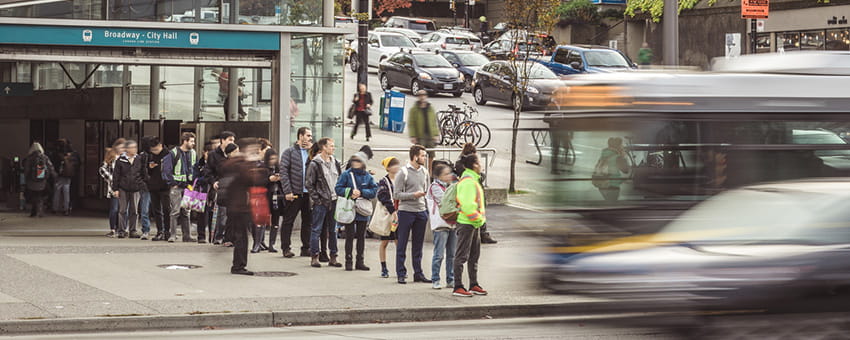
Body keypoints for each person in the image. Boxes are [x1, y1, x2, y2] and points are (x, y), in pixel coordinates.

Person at [221, 138, 265, 276]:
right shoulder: (240, 163)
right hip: (238, 205)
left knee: (242, 236)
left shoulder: (238, 163)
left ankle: (238, 265)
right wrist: (253, 164)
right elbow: (251, 179)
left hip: (239, 205)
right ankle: (238, 266)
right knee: (241, 237)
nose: (256, 152)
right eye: (253, 149)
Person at [393, 145, 432, 284]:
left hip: (421, 211)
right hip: (406, 212)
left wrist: (427, 210)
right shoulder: (403, 172)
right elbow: (396, 194)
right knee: (402, 243)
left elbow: (427, 191)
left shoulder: (425, 172)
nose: (424, 158)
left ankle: (418, 273)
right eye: (422, 155)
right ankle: (401, 273)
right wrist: (412, 195)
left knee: (418, 245)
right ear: (415, 157)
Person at [335, 148, 378, 271]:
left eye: (358, 161)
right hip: (349, 208)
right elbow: (338, 188)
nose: (355, 163)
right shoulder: (346, 174)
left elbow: (374, 191)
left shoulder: (368, 176)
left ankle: (360, 261)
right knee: (349, 235)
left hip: (362, 210)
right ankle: (348, 260)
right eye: (354, 160)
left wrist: (362, 193)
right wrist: (349, 192)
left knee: (361, 236)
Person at [452, 154, 488, 297]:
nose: (482, 165)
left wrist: (478, 221)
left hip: (473, 224)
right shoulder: (468, 182)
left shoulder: (473, 180)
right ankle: (458, 286)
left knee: (474, 256)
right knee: (462, 256)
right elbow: (467, 206)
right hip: (468, 223)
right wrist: (479, 220)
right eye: (480, 162)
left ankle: (473, 284)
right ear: (474, 165)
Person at [304, 138, 342, 268]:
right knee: (316, 229)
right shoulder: (315, 163)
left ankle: (333, 256)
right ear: (324, 147)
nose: (333, 148)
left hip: (334, 199)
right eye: (331, 146)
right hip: (321, 201)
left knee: (333, 230)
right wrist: (317, 199)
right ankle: (315, 256)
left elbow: (340, 179)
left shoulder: (335, 162)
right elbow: (309, 183)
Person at [280, 127, 314, 258]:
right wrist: (287, 191)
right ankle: (286, 248)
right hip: (294, 192)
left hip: (308, 193)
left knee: (308, 221)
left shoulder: (312, 153)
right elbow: (283, 172)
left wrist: (313, 150)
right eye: (308, 135)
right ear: (300, 136)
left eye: (311, 136)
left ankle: (306, 247)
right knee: (289, 220)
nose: (310, 138)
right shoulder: (289, 152)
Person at [452, 143, 497, 244]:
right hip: (469, 221)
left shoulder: (465, 169)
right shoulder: (468, 177)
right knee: (464, 252)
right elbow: (468, 206)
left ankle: (483, 233)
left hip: (471, 220)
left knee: (471, 252)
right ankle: (484, 233)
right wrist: (478, 220)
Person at [162, 132, 198, 243]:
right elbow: (166, 170)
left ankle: (187, 236)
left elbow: (195, 168)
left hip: (188, 186)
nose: (193, 143)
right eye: (191, 141)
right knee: (175, 211)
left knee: (186, 211)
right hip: (177, 186)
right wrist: (172, 183)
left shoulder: (193, 153)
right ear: (185, 141)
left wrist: (193, 183)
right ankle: (173, 235)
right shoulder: (173, 153)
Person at [427, 164, 457, 290]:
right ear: (438, 176)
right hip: (441, 225)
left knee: (452, 254)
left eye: (449, 173)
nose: (449, 176)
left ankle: (450, 279)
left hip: (452, 224)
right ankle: (435, 278)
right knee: (439, 254)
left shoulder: (451, 186)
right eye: (446, 174)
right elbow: (444, 202)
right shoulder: (435, 187)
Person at [112, 140, 148, 239]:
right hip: (123, 188)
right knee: (122, 210)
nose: (135, 149)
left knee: (134, 210)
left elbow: (143, 172)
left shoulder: (139, 159)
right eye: (132, 147)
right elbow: (116, 175)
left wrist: (142, 184)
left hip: (136, 188)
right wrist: (115, 189)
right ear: (127, 149)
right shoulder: (121, 160)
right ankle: (122, 230)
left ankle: (133, 230)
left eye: (135, 147)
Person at [206, 131, 236, 244]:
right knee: (221, 214)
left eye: (233, 140)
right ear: (222, 140)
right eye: (229, 139)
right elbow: (208, 171)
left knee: (230, 214)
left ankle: (227, 237)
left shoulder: (233, 153)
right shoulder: (213, 154)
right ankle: (218, 236)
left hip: (232, 188)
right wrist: (213, 182)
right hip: (219, 188)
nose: (231, 142)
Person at [376, 157, 400, 278]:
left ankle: (400, 267)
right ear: (388, 168)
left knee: (398, 242)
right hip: (388, 214)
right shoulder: (383, 181)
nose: (396, 167)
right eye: (393, 165)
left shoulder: (401, 179)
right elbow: (382, 196)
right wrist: (392, 210)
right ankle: (384, 267)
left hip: (399, 214)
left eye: (397, 164)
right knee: (384, 241)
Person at [144, 137, 171, 241]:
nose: (154, 152)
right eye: (152, 150)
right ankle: (160, 231)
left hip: (165, 186)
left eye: (156, 149)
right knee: (156, 210)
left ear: (160, 145)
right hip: (154, 185)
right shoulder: (151, 155)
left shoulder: (168, 154)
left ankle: (167, 231)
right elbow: (148, 171)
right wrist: (150, 168)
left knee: (166, 209)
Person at [99, 139, 125, 236]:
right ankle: (113, 228)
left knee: (123, 209)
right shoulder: (111, 158)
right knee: (114, 208)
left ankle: (121, 229)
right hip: (114, 188)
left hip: (125, 187)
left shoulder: (126, 158)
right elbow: (102, 169)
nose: (123, 149)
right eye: (121, 147)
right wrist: (111, 179)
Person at [24, 142, 56, 218]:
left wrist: (26, 178)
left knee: (34, 195)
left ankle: (34, 212)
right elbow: (50, 167)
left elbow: (27, 170)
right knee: (40, 196)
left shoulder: (29, 158)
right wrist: (54, 175)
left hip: (32, 181)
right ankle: (40, 211)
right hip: (42, 180)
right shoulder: (45, 157)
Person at [594, 137, 630, 202]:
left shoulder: (604, 154)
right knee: (612, 204)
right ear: (618, 146)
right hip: (613, 186)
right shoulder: (617, 157)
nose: (622, 146)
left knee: (608, 203)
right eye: (621, 145)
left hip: (602, 184)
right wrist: (624, 157)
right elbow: (626, 170)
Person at [407, 91, 439, 160]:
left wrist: (436, 134)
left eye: (424, 95)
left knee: (431, 155)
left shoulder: (430, 108)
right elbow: (411, 123)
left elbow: (434, 122)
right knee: (420, 155)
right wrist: (413, 136)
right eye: (420, 95)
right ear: (418, 97)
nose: (422, 97)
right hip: (420, 136)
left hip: (430, 134)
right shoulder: (414, 109)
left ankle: (430, 170)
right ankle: (421, 169)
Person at [263, 149, 283, 253]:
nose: (273, 160)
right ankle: (259, 242)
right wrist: (269, 179)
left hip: (277, 196)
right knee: (262, 220)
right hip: (265, 195)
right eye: (271, 158)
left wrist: (279, 178)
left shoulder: (279, 168)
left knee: (275, 220)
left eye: (274, 158)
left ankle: (272, 244)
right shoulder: (262, 168)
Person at [53, 139, 80, 216]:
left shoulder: (57, 154)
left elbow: (54, 164)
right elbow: (77, 164)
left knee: (57, 192)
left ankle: (55, 208)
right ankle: (66, 209)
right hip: (68, 175)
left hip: (59, 175)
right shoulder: (73, 154)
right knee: (66, 192)